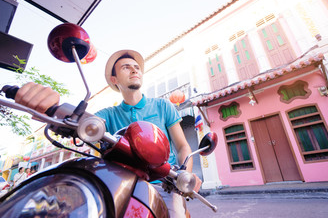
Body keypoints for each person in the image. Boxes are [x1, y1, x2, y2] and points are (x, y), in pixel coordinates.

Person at [15, 49, 201, 217]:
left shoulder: (163, 106)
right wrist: (48, 107)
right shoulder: (108, 115)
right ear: (114, 80)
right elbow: (78, 121)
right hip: (122, 185)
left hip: (165, 184)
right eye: (126, 67)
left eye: (137, 67)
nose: (135, 70)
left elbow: (183, 146)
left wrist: (185, 175)